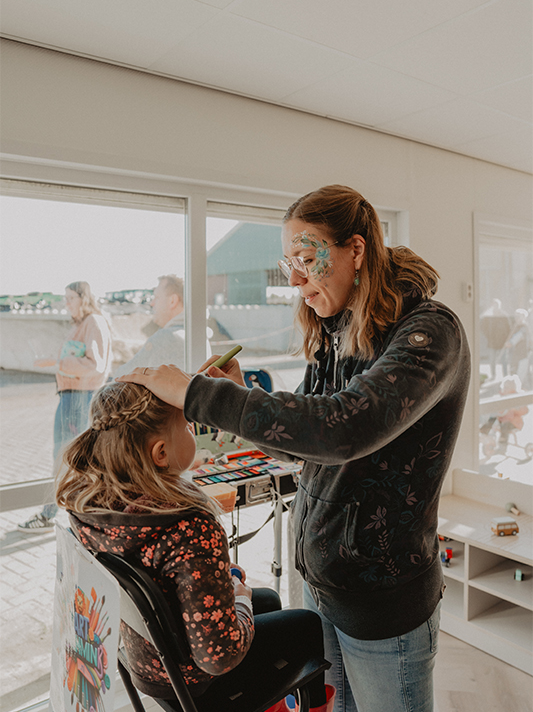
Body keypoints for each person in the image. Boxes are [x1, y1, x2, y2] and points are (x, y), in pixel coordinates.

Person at [118, 185, 471, 712]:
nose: (296, 279)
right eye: (290, 263)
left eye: (308, 259)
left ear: (356, 249)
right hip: (321, 582)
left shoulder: (429, 334)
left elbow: (339, 429)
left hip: (383, 600)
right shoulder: (338, 329)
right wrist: (249, 399)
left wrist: (200, 395)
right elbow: (306, 441)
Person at [55, 381, 334, 712]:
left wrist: (226, 587)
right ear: (160, 453)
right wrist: (240, 601)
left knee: (270, 600)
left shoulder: (92, 510)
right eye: (188, 426)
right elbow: (219, 657)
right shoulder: (190, 529)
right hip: (198, 684)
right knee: (305, 624)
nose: (194, 430)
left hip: (147, 664)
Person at [19, 281, 113, 531]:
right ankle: (77, 515)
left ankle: (50, 515)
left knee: (65, 457)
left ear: (84, 298)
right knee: (74, 458)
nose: (66, 304)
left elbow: (97, 365)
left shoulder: (93, 322)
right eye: (65, 298)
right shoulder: (84, 324)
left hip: (79, 398)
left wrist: (58, 362)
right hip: (74, 396)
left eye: (70, 298)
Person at [114, 275, 199, 376]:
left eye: (157, 297)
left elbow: (121, 377)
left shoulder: (168, 337)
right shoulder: (197, 336)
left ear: (172, 301)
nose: (152, 303)